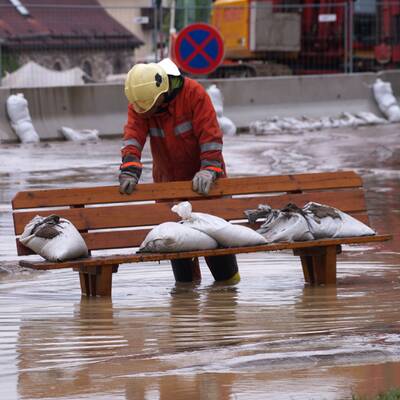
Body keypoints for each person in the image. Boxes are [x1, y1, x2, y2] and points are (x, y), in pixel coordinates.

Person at [119, 58, 239, 284]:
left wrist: (210, 169)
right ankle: (186, 306)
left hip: (206, 184)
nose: (147, 114)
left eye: (151, 108)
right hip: (169, 187)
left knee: (220, 254)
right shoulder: (141, 101)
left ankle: (226, 302)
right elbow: (133, 136)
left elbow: (210, 135)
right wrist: (129, 168)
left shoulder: (193, 93)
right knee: (179, 254)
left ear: (162, 92)